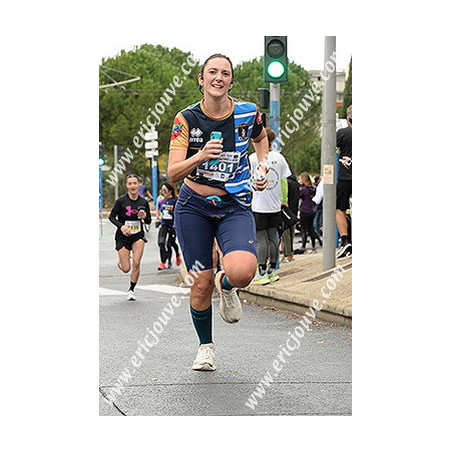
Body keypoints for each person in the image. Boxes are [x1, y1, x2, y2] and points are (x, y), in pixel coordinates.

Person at [168, 53, 269, 371]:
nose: (218, 78)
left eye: (225, 73)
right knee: (200, 282)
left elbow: (260, 139)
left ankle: (226, 285)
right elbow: (173, 173)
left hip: (233, 204)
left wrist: (262, 166)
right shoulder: (186, 119)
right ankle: (205, 347)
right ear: (201, 79)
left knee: (243, 272)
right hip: (193, 207)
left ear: (231, 82)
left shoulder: (248, 112)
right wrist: (199, 156)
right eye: (212, 72)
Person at [249, 127, 291, 284]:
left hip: (259, 204)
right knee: (273, 237)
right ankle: (272, 270)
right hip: (275, 205)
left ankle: (261, 271)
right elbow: (284, 181)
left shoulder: (253, 158)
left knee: (261, 238)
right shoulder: (280, 158)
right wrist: (283, 199)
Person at [109, 174, 151, 301]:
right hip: (123, 236)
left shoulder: (143, 202)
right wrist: (121, 226)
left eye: (135, 183)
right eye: (130, 184)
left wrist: (144, 217)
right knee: (126, 268)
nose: (133, 186)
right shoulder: (121, 201)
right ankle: (121, 262)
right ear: (127, 186)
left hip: (138, 235)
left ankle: (131, 290)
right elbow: (111, 217)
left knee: (136, 262)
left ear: (139, 185)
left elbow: (148, 221)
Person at [336, 104, 352, 258]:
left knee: (340, 209)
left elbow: (329, 148)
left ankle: (345, 240)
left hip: (345, 177)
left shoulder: (343, 133)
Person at [155, 181, 181, 270]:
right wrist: (157, 218)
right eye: (162, 190)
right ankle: (163, 262)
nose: (163, 192)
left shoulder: (176, 200)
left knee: (170, 243)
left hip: (173, 225)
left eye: (165, 190)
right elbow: (158, 209)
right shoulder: (162, 200)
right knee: (161, 242)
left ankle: (176, 255)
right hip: (164, 224)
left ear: (170, 191)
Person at [298, 172, 322, 253]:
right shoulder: (313, 189)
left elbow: (299, 196)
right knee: (311, 229)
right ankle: (313, 247)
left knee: (303, 229)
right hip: (312, 211)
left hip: (304, 210)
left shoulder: (303, 190)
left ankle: (303, 246)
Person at [281, 167, 300, 263]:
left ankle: (287, 254)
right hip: (294, 210)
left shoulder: (286, 183)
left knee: (286, 233)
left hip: (286, 210)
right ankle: (290, 253)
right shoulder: (296, 183)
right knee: (291, 233)